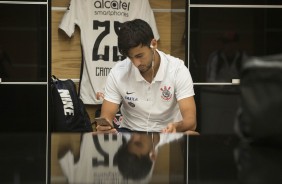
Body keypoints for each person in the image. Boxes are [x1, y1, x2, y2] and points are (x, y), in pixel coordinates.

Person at [96, 19, 196, 133]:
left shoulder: (177, 69)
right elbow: (106, 117)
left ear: (153, 44)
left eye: (139, 55)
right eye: (130, 57)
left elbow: (191, 121)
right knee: (96, 137)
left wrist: (176, 127)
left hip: (167, 133)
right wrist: (104, 128)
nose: (136, 63)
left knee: (191, 134)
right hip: (130, 132)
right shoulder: (118, 72)